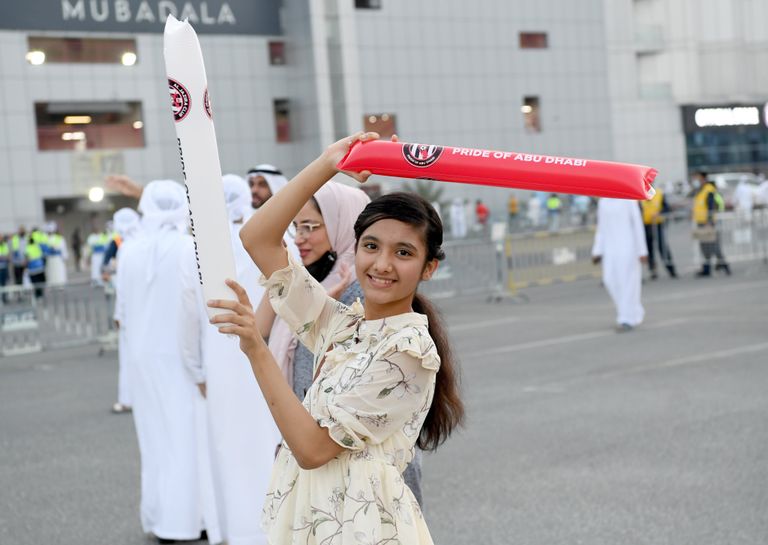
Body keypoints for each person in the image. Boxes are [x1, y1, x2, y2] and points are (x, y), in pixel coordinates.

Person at [207, 132, 464, 545]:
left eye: (403, 253)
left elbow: (312, 449)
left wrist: (255, 347)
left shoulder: (408, 351)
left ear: (428, 268)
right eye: (371, 246)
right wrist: (328, 164)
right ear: (355, 248)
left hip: (364, 530)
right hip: (317, 518)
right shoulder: (344, 324)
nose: (382, 264)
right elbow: (257, 239)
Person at [115, 180, 219, 544]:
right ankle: (192, 520)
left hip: (143, 360)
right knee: (190, 440)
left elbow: (123, 311)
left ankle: (163, 519)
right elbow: (197, 313)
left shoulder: (128, 249)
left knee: (155, 440)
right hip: (182, 359)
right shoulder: (190, 248)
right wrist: (201, 367)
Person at [179, 174, 281, 545]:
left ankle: (237, 532)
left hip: (221, 362)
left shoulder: (198, 250)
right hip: (270, 355)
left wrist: (196, 370)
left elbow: (188, 318)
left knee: (228, 448)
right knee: (272, 440)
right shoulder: (273, 238)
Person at [592, 198, 648, 332]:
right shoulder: (603, 202)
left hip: (628, 248)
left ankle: (626, 318)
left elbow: (637, 224)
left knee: (628, 283)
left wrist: (642, 250)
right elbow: (601, 227)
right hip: (610, 249)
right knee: (609, 280)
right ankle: (632, 311)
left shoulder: (628, 200)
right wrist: (597, 250)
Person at [110, 207, 141, 414]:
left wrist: (118, 315)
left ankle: (128, 398)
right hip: (147, 311)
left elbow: (121, 287)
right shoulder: (145, 242)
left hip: (130, 313)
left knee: (129, 357)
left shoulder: (126, 248)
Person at [692, 171, 730, 277]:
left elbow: (711, 207)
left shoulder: (708, 190)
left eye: (697, 177)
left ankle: (724, 265)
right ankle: (707, 268)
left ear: (703, 178)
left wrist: (709, 221)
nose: (695, 179)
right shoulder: (701, 190)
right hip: (701, 222)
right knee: (704, 246)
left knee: (713, 245)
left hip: (707, 222)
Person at [639, 183, 677, 279]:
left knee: (662, 247)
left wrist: (659, 213)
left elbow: (666, 208)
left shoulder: (659, 194)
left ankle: (671, 269)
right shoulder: (639, 195)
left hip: (658, 224)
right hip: (646, 225)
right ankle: (653, 270)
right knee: (649, 249)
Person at [0, 234, 9, 302]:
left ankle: (4, 298)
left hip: (3, 268)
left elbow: (7, 257)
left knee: (4, 284)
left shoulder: (5, 245)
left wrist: (2, 257)